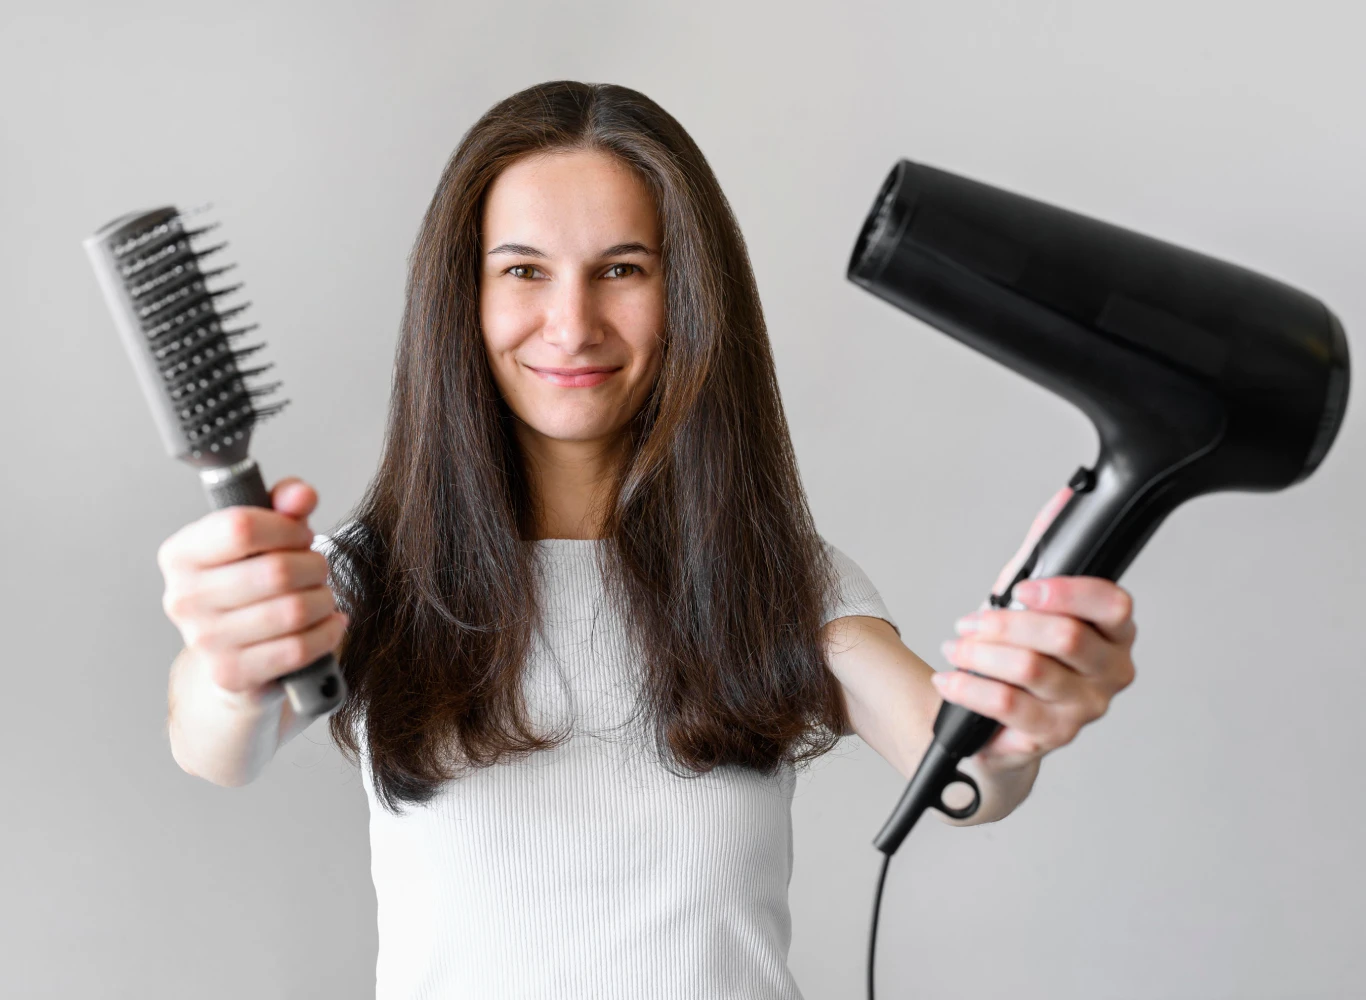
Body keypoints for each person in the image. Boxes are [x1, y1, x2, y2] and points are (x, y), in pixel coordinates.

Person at [155, 80, 1138, 999]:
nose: (571, 323)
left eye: (622, 270)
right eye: (524, 271)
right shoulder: (360, 583)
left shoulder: (782, 585)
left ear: (690, 297)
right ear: (462, 299)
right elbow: (213, 742)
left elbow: (964, 765)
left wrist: (1010, 717)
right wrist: (230, 659)